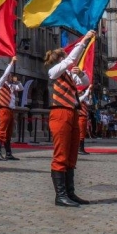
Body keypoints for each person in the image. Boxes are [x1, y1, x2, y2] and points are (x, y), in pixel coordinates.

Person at [45, 31, 94, 207]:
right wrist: (84, 41)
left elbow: (86, 82)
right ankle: (61, 195)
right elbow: (70, 60)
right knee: (61, 153)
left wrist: (80, 74)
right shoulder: (54, 72)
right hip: (60, 113)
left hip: (72, 112)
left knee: (71, 153)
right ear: (60, 60)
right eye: (65, 57)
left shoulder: (68, 75)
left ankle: (70, 192)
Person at [0, 57, 22, 161]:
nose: (10, 77)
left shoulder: (12, 86)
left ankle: (8, 153)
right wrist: (11, 63)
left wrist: (17, 81)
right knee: (1, 130)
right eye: (10, 76)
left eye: (11, 76)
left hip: (10, 110)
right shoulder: (1, 84)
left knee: (9, 132)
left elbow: (21, 88)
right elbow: (5, 74)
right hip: (4, 109)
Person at [77, 86, 92, 156]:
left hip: (84, 117)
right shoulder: (79, 99)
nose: (83, 93)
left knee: (83, 133)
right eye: (81, 92)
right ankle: (80, 148)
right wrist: (88, 89)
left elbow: (90, 103)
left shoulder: (83, 100)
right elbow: (84, 96)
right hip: (80, 117)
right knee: (81, 133)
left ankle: (81, 148)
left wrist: (90, 95)